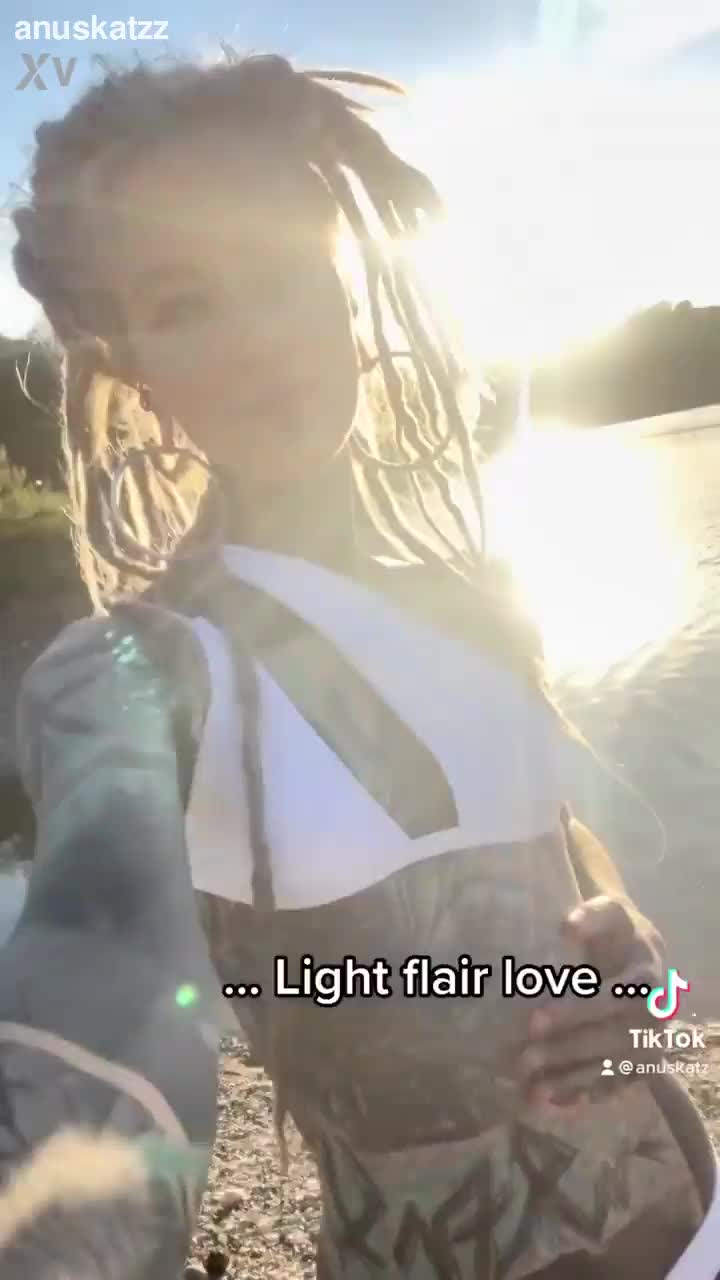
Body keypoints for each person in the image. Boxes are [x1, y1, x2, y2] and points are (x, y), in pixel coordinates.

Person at [4, 50, 718, 1279]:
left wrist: (649, 996)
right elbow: (99, 969)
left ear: (344, 287)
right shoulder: (148, 667)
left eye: (281, 273)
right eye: (184, 301)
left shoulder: (474, 601)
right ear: (132, 365)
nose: (257, 337)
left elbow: (606, 929)